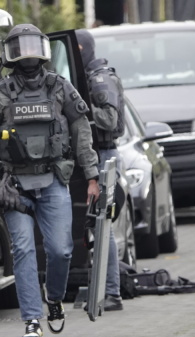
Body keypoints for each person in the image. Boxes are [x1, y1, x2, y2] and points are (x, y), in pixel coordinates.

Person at [0, 24, 100, 337]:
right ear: (10, 54)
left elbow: (81, 128)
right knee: (24, 250)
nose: (27, 53)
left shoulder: (60, 87)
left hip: (54, 178)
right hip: (12, 184)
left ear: (43, 50)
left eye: (32, 46)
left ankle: (54, 298)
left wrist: (93, 175)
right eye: (20, 47)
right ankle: (31, 319)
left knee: (61, 250)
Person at [76, 29, 125, 312]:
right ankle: (106, 290)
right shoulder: (90, 76)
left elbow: (108, 118)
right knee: (98, 225)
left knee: (102, 226)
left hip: (103, 155)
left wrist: (80, 109)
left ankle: (111, 293)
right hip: (97, 155)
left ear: (81, 49)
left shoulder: (99, 78)